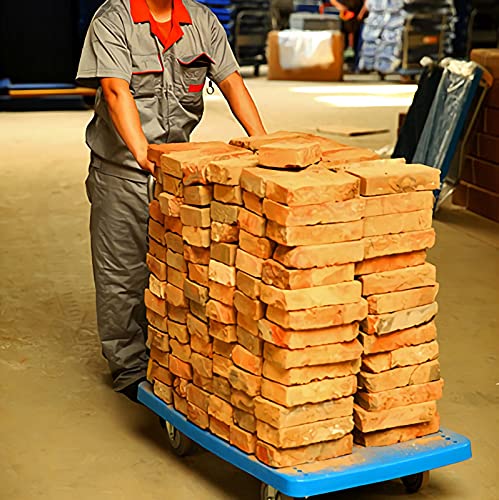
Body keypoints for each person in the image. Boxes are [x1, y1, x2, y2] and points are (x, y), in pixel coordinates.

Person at [77, 0, 266, 402]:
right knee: (123, 273)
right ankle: (129, 366)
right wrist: (143, 153)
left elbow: (232, 82)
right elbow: (114, 89)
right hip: (122, 170)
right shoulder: (114, 19)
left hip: (177, 169)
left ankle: (172, 353)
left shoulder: (201, 22)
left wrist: (266, 146)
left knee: (180, 267)